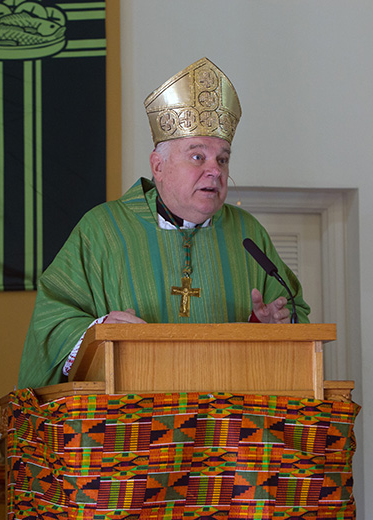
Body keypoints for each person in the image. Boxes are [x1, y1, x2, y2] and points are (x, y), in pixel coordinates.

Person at [18, 57, 310, 389]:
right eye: (198, 156)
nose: (215, 170)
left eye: (223, 158)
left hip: (227, 431)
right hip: (130, 431)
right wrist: (98, 330)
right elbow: (51, 323)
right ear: (158, 166)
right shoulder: (102, 231)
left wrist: (269, 323)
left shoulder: (247, 233)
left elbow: (292, 307)